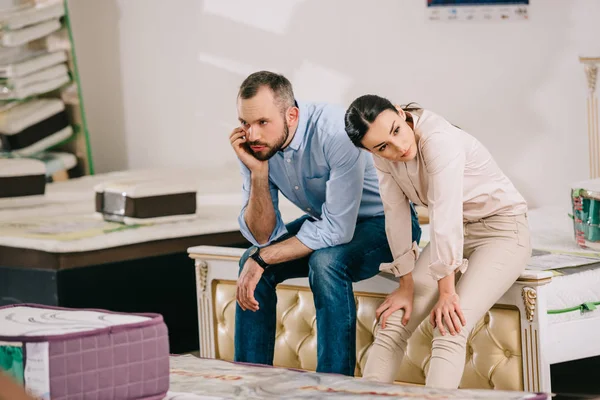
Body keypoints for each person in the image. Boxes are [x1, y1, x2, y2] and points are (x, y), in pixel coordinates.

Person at [230, 71, 421, 376]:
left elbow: (337, 230)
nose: (252, 134)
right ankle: (253, 383)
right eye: (244, 123)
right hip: (330, 220)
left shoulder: (334, 131)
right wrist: (257, 173)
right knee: (249, 261)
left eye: (262, 123)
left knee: (325, 261)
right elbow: (264, 236)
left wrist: (263, 257)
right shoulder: (254, 147)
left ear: (291, 115)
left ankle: (334, 387)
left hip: (386, 224)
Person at [344, 95, 531, 388]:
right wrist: (405, 285)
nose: (398, 147)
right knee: (393, 322)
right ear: (368, 150)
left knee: (449, 328)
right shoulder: (381, 158)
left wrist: (447, 292)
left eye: (396, 130)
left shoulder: (438, 139)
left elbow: (445, 214)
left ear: (399, 111)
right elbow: (396, 216)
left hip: (502, 231)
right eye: (382, 147)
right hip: (458, 234)